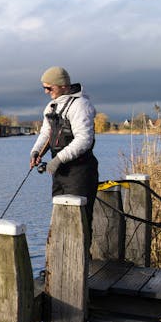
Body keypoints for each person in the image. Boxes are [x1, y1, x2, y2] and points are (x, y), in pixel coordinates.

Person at [29, 66, 99, 242]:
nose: (46, 92)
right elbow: (46, 134)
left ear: (63, 86)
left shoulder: (81, 105)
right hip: (59, 172)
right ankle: (61, 263)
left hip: (80, 171)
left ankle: (83, 263)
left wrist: (58, 159)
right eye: (44, 88)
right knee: (60, 218)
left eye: (49, 88)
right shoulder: (51, 106)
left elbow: (84, 140)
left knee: (79, 221)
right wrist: (36, 152)